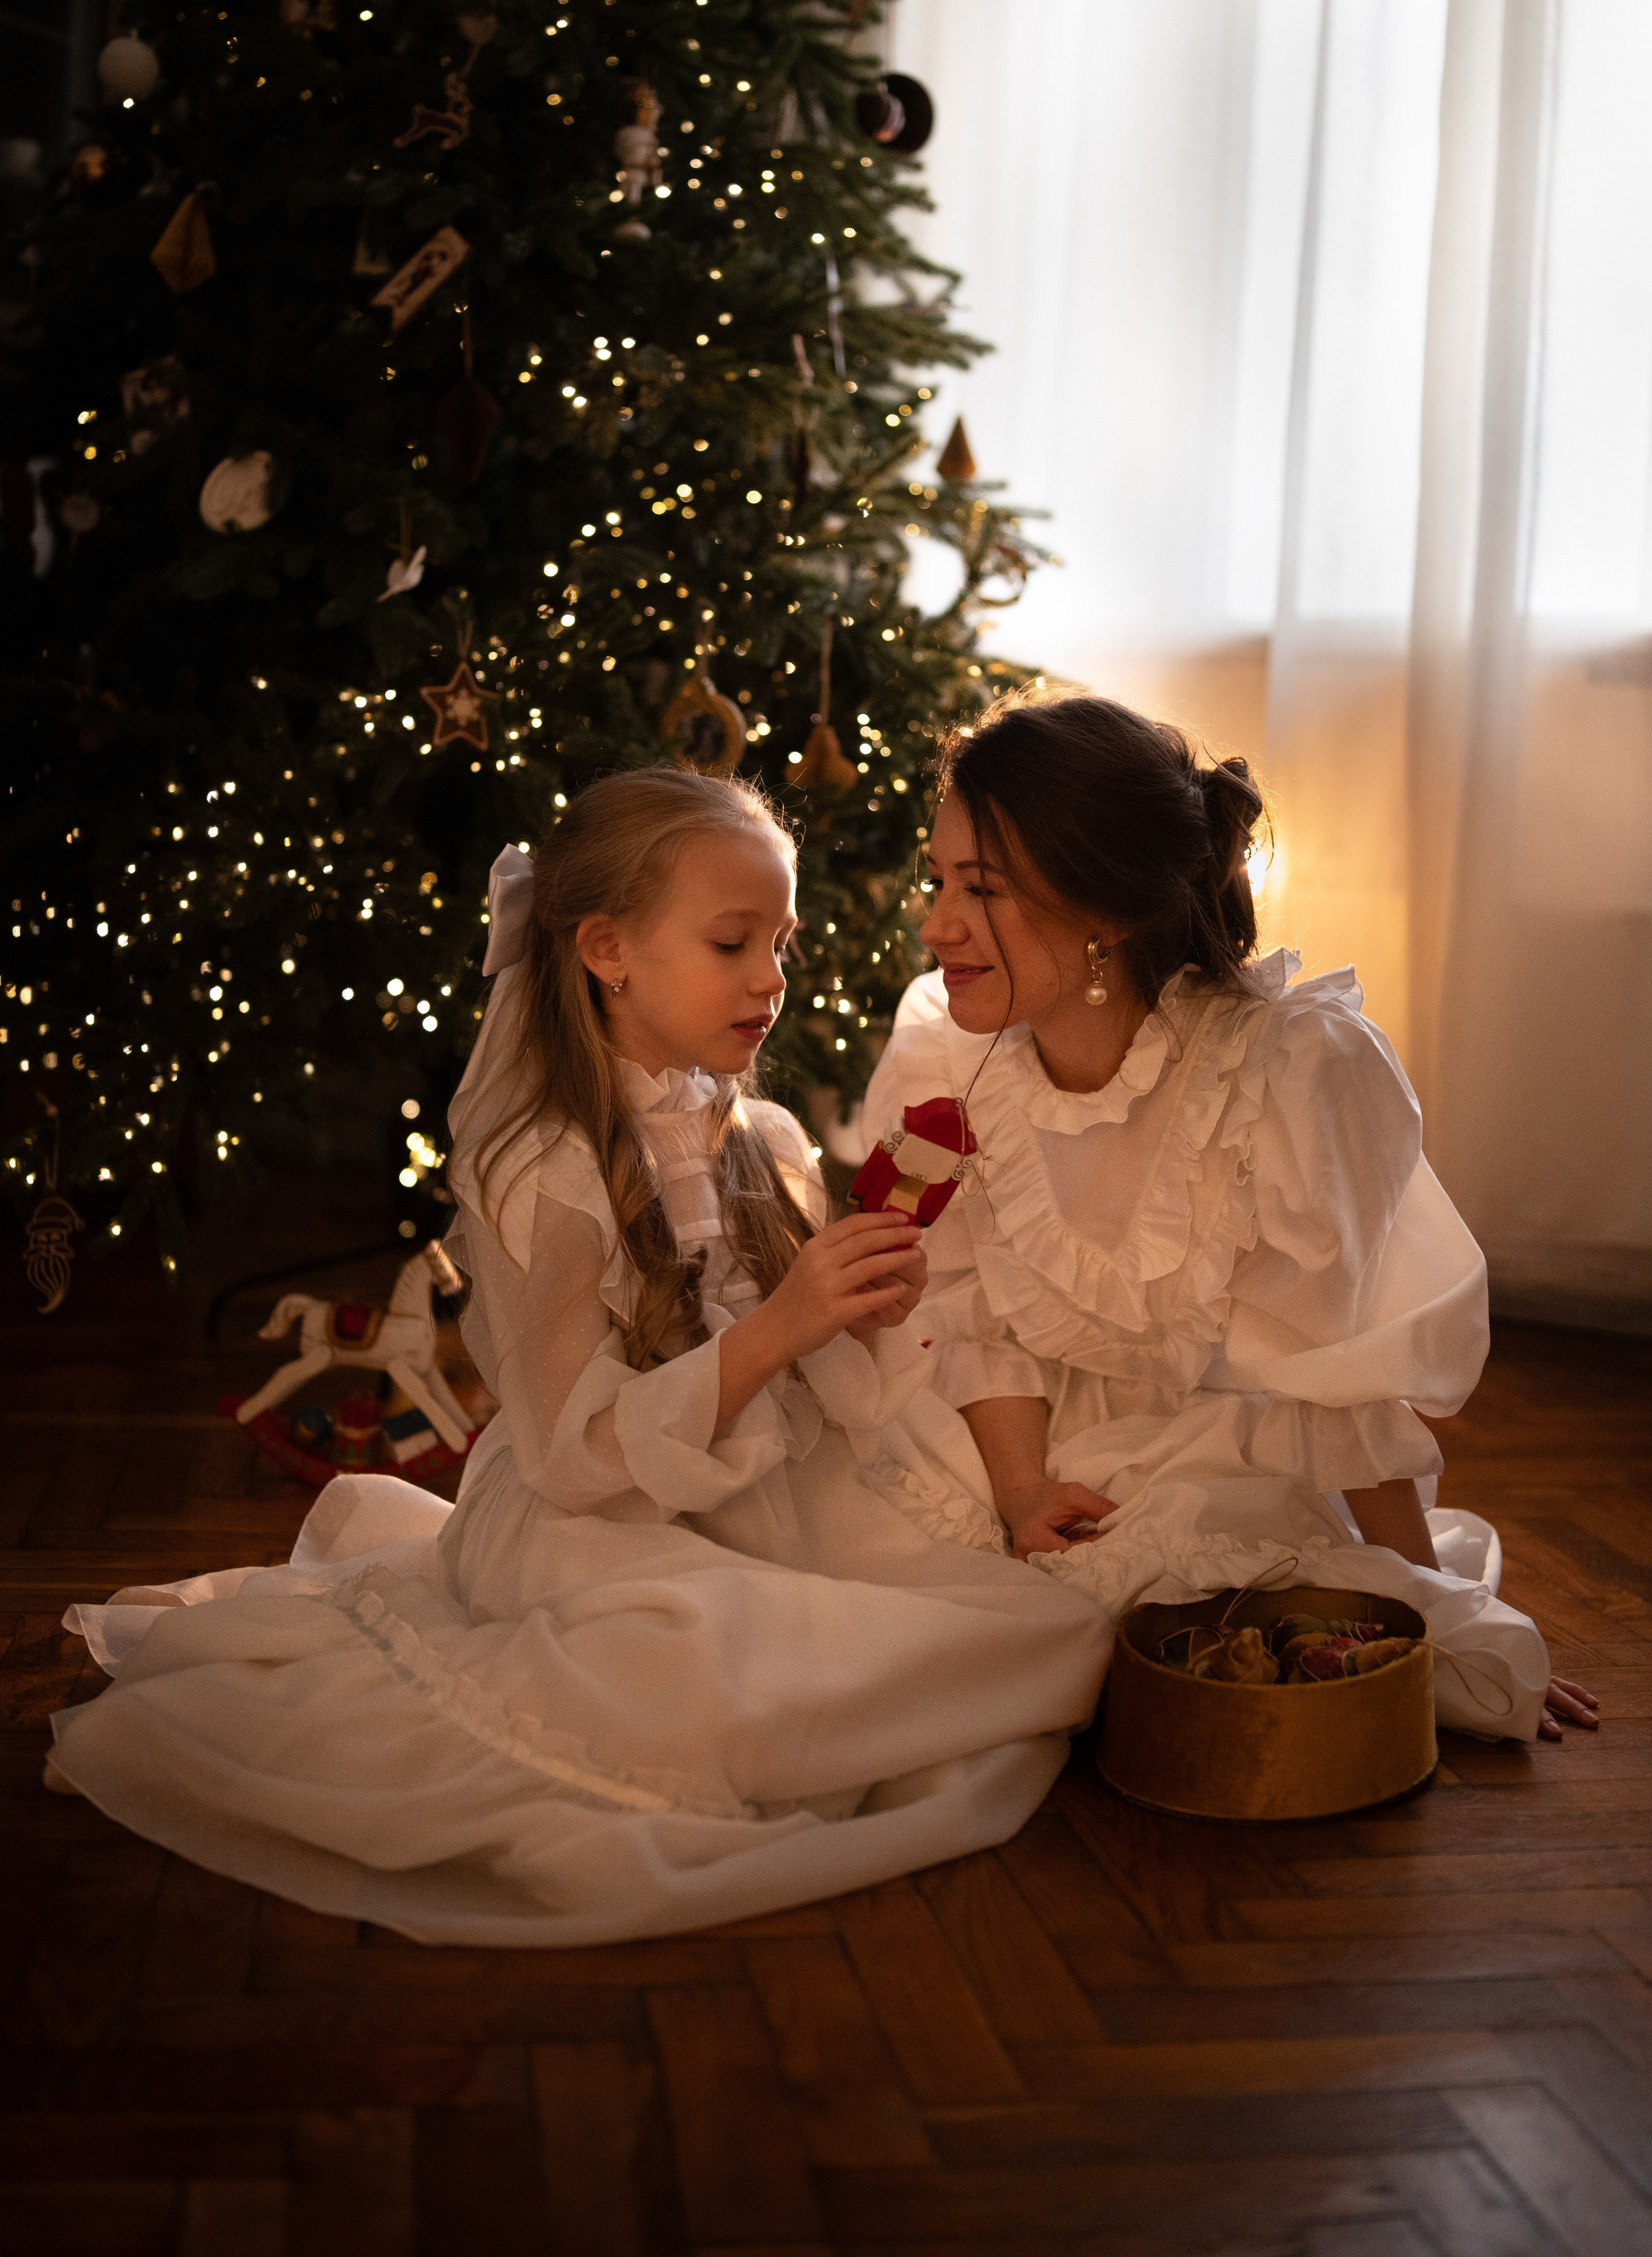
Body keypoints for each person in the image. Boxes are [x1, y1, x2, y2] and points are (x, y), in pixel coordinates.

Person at [46, 770, 1104, 1945]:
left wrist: (850, 1311)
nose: (772, 980)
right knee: (722, 1680)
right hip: (594, 1515)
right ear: (607, 949)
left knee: (1040, 1631)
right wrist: (777, 1329)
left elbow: (799, 1363)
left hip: (761, 1482)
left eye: (783, 943)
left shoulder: (767, 1136)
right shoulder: (541, 1173)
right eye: (731, 943)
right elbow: (572, 1456)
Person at [860, 688, 1598, 1746]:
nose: (936, 925)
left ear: (1104, 906)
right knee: (895, 1627)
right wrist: (1024, 1492)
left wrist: (1439, 1613)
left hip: (1220, 1452)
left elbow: (1340, 1372)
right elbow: (975, 1313)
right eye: (938, 882)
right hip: (1005, 1440)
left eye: (980, 890)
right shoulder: (946, 1055)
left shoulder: (1291, 1072)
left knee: (1159, 1644)